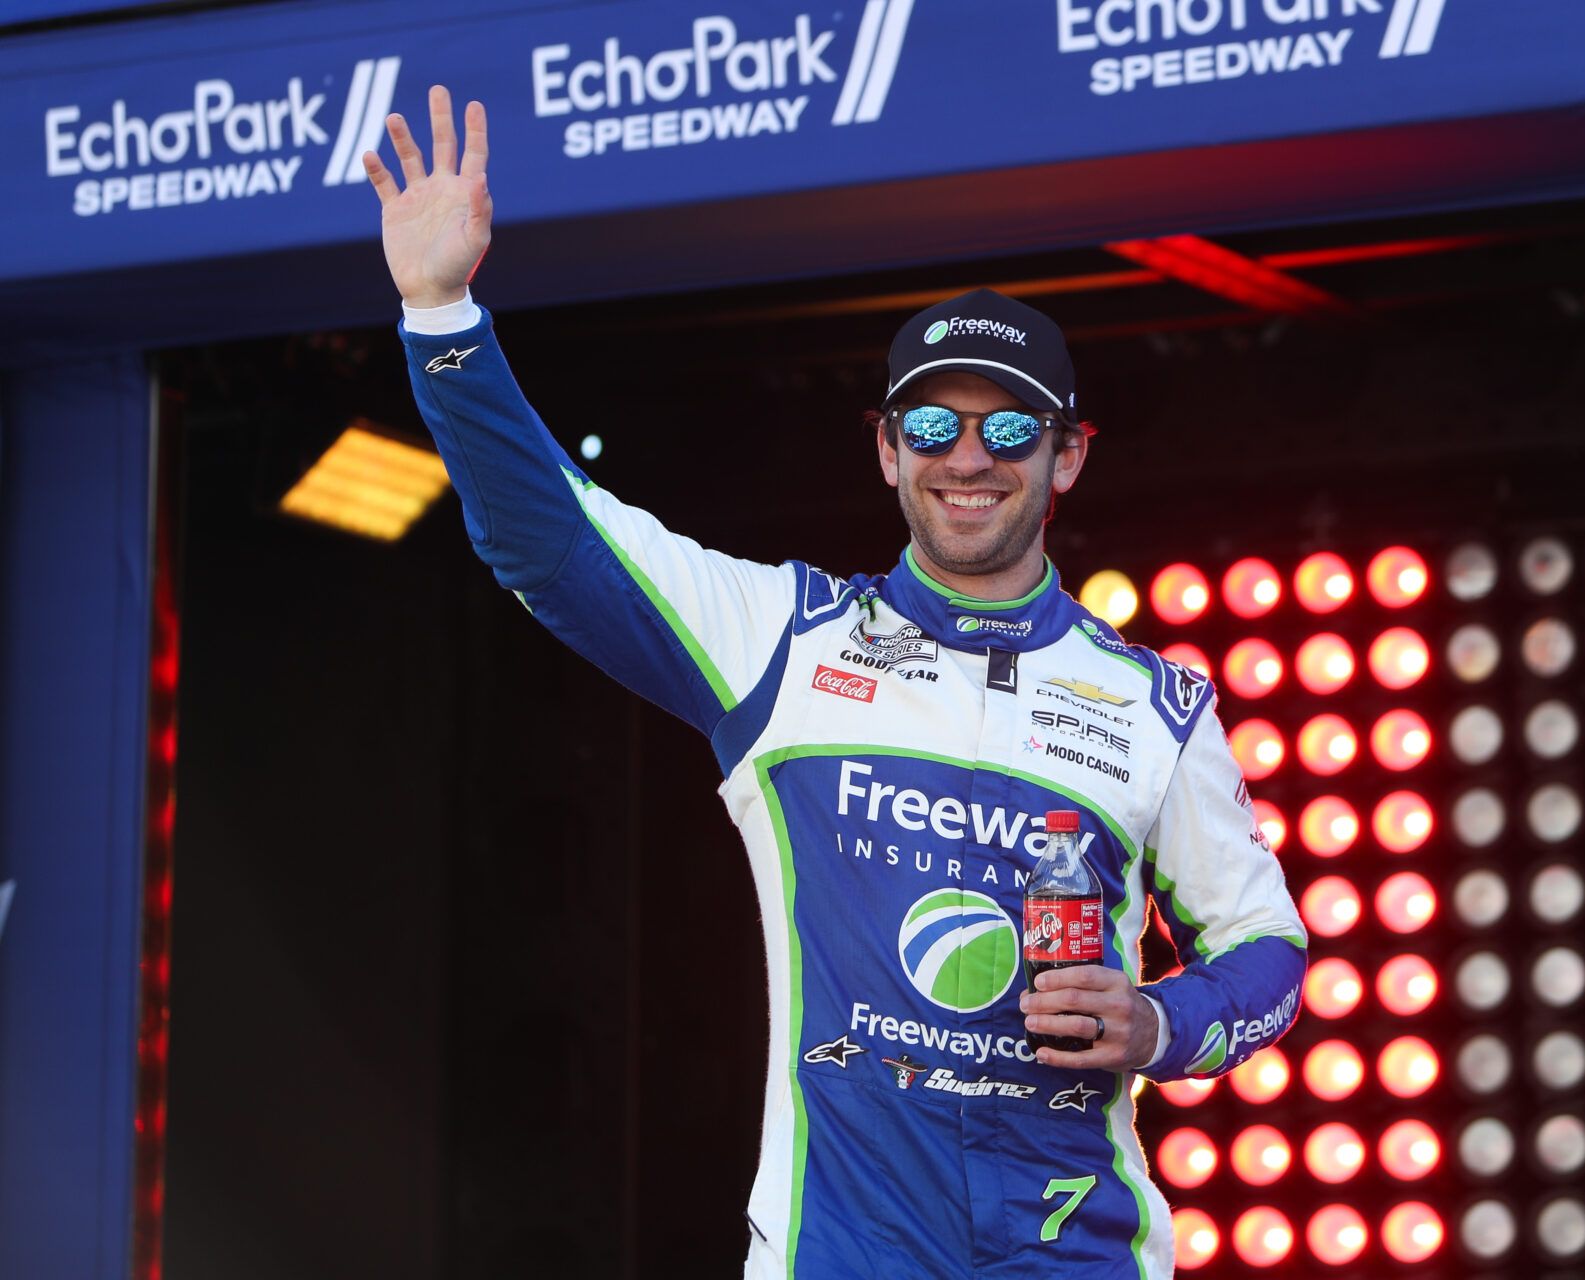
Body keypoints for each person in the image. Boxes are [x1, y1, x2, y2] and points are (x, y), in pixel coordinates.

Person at [364, 85, 1307, 1279]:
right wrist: (442, 313)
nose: (968, 459)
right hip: (838, 1252)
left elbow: (1269, 950)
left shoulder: (1156, 707)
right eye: (931, 425)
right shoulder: (785, 637)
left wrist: (1163, 1022)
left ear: (1068, 454)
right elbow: (547, 540)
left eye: (1011, 430)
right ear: (884, 446)